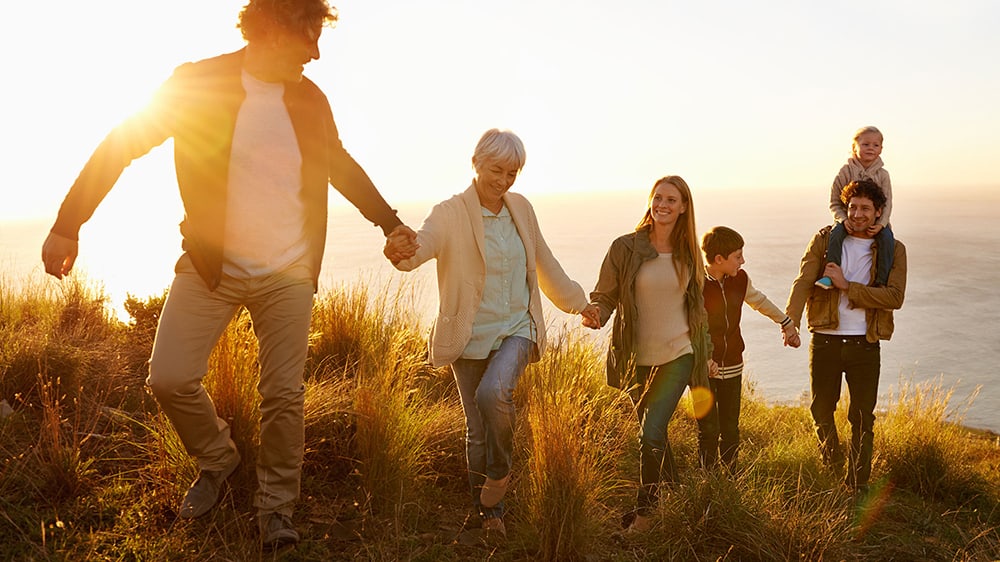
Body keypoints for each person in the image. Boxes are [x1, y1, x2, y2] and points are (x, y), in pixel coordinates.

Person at [41, 0, 417, 549]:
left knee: (284, 395)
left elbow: (338, 163)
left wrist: (389, 223)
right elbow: (120, 146)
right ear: (270, 31)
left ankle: (276, 509)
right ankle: (219, 458)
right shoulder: (199, 83)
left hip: (288, 272)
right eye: (307, 39)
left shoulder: (310, 99)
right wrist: (67, 224)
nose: (315, 53)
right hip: (210, 265)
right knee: (168, 377)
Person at [383, 129, 597, 541]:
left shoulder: (522, 208)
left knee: (492, 394)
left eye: (513, 172)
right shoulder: (450, 213)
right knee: (477, 428)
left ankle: (499, 472)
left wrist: (577, 303)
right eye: (497, 170)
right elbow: (422, 246)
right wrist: (401, 252)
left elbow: (544, 261)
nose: (504, 180)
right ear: (477, 163)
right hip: (468, 334)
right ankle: (488, 511)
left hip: (518, 327)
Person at [583, 175, 717, 533]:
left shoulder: (691, 254)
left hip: (679, 353)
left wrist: (706, 354)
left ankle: (645, 515)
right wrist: (596, 313)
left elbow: (698, 311)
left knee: (651, 432)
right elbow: (606, 295)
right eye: (658, 198)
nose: (663, 205)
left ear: (684, 206)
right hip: (634, 357)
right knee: (654, 434)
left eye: (671, 200)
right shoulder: (625, 248)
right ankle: (675, 500)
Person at [784, 179, 906, 493]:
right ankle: (833, 466)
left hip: (865, 343)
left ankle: (858, 483)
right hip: (824, 339)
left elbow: (894, 297)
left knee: (863, 417)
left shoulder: (894, 249)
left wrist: (846, 287)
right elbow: (803, 282)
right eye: (853, 207)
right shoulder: (825, 241)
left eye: (866, 208)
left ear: (879, 212)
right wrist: (790, 322)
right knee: (821, 409)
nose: (858, 213)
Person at [699, 226, 800, 472]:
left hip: (733, 362)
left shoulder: (740, 279)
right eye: (737, 256)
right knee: (708, 428)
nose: (743, 261)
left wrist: (786, 323)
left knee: (731, 427)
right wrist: (704, 358)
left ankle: (730, 477)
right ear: (719, 259)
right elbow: (690, 324)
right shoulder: (695, 283)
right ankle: (707, 481)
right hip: (703, 368)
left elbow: (759, 301)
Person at [815, 126, 894, 290]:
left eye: (875, 145)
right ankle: (830, 276)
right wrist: (843, 220)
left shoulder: (883, 175)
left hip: (877, 222)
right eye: (865, 144)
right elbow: (834, 201)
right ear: (854, 147)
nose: (871, 148)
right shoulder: (845, 171)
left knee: (887, 240)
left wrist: (881, 224)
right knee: (835, 235)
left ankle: (881, 282)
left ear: (881, 149)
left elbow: (887, 203)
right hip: (848, 219)